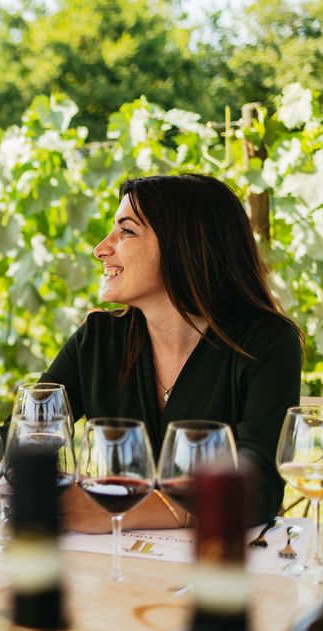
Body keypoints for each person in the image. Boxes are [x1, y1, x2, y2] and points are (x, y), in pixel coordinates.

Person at [41, 174, 302, 531]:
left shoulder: (266, 342)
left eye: (126, 231)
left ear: (185, 246)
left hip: (219, 563)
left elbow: (256, 487)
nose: (101, 248)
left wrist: (119, 513)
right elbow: (25, 437)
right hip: (110, 559)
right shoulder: (99, 339)